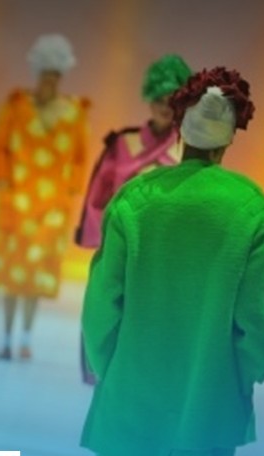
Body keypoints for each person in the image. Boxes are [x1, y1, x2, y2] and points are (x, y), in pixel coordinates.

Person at [80, 67, 264, 456]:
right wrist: (241, 376)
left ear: (179, 125)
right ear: (231, 136)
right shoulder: (251, 210)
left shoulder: (136, 200)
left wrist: (109, 367)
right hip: (206, 390)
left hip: (134, 386)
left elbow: (102, 305)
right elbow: (258, 321)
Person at [75, 54, 191, 383]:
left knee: (148, 316)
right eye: (159, 99)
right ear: (148, 99)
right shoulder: (123, 142)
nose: (164, 107)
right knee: (105, 308)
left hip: (163, 252)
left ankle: (138, 377)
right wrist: (107, 237)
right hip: (119, 243)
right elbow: (99, 195)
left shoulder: (188, 150)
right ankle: (100, 371)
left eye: (172, 101)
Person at [0, 34, 90, 360]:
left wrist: (67, 196)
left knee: (35, 276)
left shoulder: (73, 112)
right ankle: (5, 337)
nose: (50, 81)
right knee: (10, 275)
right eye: (45, 74)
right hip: (15, 201)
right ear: (37, 73)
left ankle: (26, 337)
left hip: (50, 208)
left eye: (55, 75)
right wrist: (4, 191)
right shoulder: (17, 105)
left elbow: (79, 158)